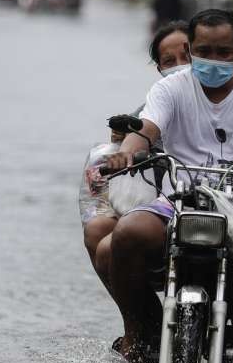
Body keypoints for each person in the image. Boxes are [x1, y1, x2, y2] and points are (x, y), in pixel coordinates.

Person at [105, 8, 233, 363]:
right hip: (178, 202)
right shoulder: (170, 87)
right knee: (126, 234)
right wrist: (125, 154)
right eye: (204, 51)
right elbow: (145, 130)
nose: (213, 60)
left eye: (223, 52)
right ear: (191, 51)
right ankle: (138, 332)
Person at [81, 21, 190, 294]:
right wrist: (122, 149)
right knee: (98, 230)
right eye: (170, 61)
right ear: (160, 69)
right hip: (165, 201)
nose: (180, 65)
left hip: (223, 199)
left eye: (187, 57)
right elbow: (140, 135)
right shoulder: (154, 105)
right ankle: (141, 322)